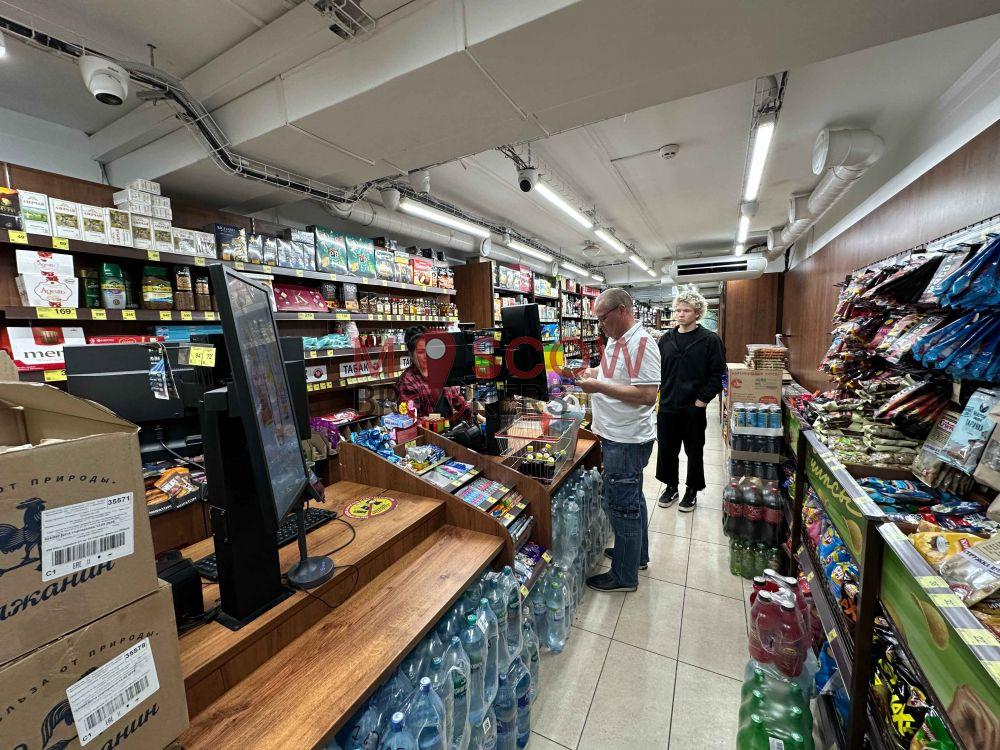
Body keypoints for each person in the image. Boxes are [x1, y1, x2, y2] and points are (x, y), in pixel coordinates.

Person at [575, 288, 660, 593]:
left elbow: (647, 395)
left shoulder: (642, 343)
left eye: (603, 318)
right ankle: (636, 556)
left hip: (626, 439)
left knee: (622, 506)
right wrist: (592, 372)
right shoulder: (617, 339)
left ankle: (624, 576)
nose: (600, 325)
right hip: (618, 434)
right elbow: (614, 372)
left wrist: (598, 387)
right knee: (633, 498)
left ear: (622, 310)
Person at [655, 286, 725, 512]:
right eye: (678, 310)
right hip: (667, 406)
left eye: (686, 310)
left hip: (693, 408)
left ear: (697, 313)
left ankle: (692, 489)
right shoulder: (666, 340)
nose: (680, 314)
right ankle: (671, 486)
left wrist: (702, 401)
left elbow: (718, 374)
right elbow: (657, 370)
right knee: (667, 450)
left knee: (694, 451)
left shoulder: (710, 340)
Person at [396, 326, 472, 422]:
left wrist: (478, 418)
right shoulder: (407, 381)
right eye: (421, 352)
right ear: (410, 355)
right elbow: (410, 418)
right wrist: (436, 420)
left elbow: (458, 401)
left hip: (447, 428)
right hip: (428, 431)